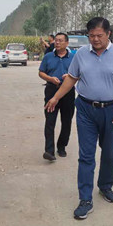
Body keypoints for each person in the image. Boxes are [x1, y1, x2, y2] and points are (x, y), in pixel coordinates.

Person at [45, 17, 113, 220]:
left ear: (108, 34)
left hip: (112, 110)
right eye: (91, 36)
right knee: (86, 155)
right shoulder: (81, 54)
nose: (95, 39)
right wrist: (56, 97)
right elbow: (72, 78)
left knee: (109, 153)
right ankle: (85, 199)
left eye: (99, 35)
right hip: (86, 110)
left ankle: (105, 186)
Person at [39, 32, 75, 161]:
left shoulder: (73, 58)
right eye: (56, 40)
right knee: (50, 121)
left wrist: (69, 77)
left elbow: (79, 73)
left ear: (67, 43)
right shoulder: (48, 56)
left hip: (68, 92)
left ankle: (61, 146)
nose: (57, 43)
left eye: (60, 40)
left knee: (66, 121)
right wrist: (50, 78)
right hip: (51, 91)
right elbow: (41, 72)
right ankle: (49, 151)